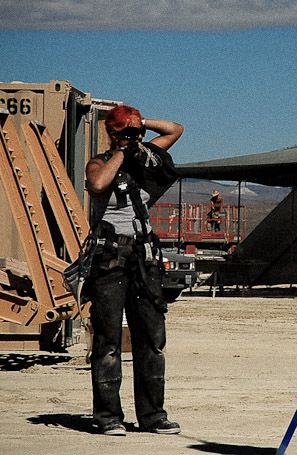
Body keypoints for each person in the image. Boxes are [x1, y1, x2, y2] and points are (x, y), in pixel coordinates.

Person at [85, 105, 183, 436]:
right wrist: (121, 152)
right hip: (110, 258)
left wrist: (140, 125)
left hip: (144, 257)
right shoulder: (100, 163)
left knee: (152, 339)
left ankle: (153, 415)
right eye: (128, 133)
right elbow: (97, 184)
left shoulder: (147, 160)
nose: (137, 138)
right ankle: (108, 415)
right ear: (112, 134)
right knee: (108, 339)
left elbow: (175, 129)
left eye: (139, 134)